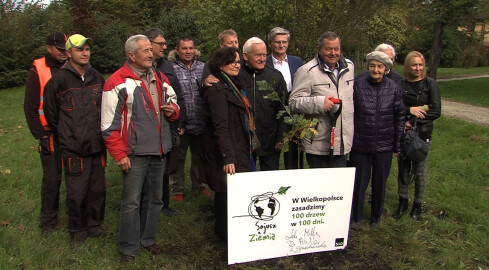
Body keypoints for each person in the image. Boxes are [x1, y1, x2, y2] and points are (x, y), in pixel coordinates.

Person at [101, 34, 179, 262]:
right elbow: (108, 126)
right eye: (144, 50)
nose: (149, 53)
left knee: (156, 200)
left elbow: (174, 101)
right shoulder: (116, 82)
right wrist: (120, 154)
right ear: (131, 55)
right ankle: (127, 247)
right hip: (134, 153)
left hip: (159, 150)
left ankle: (148, 240)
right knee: (131, 202)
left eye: (149, 50)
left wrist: (172, 110)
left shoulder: (159, 76)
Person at [43, 34, 106, 249]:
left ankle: (94, 226)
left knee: (97, 190)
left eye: (87, 49)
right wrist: (69, 134)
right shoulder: (58, 81)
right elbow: (52, 115)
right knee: (77, 193)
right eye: (80, 49)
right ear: (69, 53)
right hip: (73, 148)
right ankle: (77, 232)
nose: (85, 53)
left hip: (97, 146)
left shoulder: (97, 77)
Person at [201, 46, 252, 240]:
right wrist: (227, 157)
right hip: (224, 149)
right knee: (224, 192)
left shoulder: (234, 84)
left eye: (238, 61)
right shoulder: (216, 90)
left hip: (237, 144)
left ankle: (232, 229)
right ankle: (223, 233)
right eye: (231, 61)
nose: (236, 65)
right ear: (220, 64)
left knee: (233, 191)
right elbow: (220, 126)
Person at [350, 51, 405, 227]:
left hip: (384, 144)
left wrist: (397, 145)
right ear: (368, 67)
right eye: (372, 66)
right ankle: (356, 217)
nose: (376, 69)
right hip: (361, 143)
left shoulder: (394, 88)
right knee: (359, 183)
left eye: (380, 66)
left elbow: (400, 117)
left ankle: (376, 217)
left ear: (386, 69)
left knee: (380, 183)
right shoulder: (357, 86)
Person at [289, 31, 354, 168]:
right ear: (319, 49)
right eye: (328, 49)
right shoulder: (307, 71)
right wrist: (319, 103)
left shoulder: (349, 67)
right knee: (320, 188)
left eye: (336, 49)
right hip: (319, 144)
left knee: (338, 187)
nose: (333, 53)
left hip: (343, 142)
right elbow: (294, 102)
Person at [24, 32, 67, 236]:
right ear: (49, 48)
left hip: (71, 132)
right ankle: (48, 222)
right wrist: (40, 135)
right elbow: (30, 107)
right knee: (52, 179)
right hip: (49, 134)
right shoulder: (38, 70)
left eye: (66, 49)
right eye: (60, 49)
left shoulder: (70, 65)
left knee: (77, 177)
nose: (64, 53)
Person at [393, 51, 441, 220]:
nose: (418, 68)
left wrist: (414, 121)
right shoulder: (400, 84)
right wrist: (407, 114)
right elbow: (396, 106)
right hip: (404, 135)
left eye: (420, 65)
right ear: (408, 66)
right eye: (414, 65)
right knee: (403, 169)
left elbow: (436, 110)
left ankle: (417, 205)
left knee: (419, 172)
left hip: (422, 134)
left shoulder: (430, 84)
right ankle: (402, 202)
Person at [144, 28, 182, 217]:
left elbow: (178, 93)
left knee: (166, 168)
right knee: (146, 172)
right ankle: (148, 205)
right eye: (161, 44)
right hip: (146, 130)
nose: (165, 47)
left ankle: (164, 204)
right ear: (149, 44)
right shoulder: (139, 68)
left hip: (168, 125)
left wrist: (178, 118)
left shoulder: (168, 67)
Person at [167, 37, 210, 201]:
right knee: (179, 156)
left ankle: (199, 184)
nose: (188, 51)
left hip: (200, 119)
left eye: (191, 48)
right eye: (184, 48)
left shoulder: (203, 66)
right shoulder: (171, 68)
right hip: (182, 121)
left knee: (199, 156)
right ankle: (177, 189)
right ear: (177, 50)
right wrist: (178, 120)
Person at [239, 37, 288, 171]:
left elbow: (283, 108)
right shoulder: (236, 75)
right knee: (246, 178)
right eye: (257, 55)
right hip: (244, 140)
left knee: (270, 179)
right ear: (245, 56)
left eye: (264, 55)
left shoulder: (275, 76)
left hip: (270, 139)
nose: (262, 59)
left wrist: (281, 137)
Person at [266, 27, 304, 169]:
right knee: (272, 154)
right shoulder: (265, 62)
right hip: (273, 114)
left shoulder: (297, 62)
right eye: (278, 42)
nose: (281, 45)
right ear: (270, 43)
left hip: (294, 113)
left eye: (284, 42)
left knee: (293, 154)